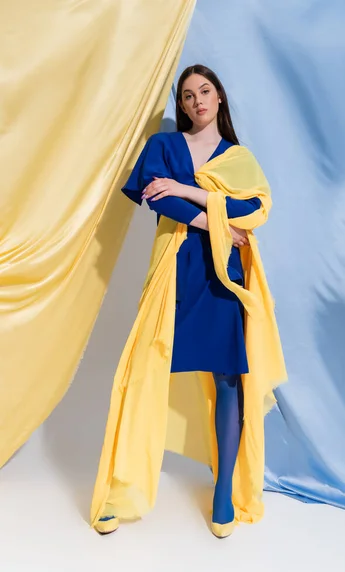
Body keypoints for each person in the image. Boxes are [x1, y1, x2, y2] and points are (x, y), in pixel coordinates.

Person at [91, 64, 287, 539]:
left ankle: (223, 492)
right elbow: (157, 198)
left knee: (227, 380)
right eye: (186, 95)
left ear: (219, 97)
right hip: (174, 272)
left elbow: (253, 210)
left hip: (223, 275)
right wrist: (207, 217)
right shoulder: (164, 146)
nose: (196, 100)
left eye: (205, 90)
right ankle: (121, 487)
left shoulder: (238, 157)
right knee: (142, 373)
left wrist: (186, 189)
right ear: (181, 107)